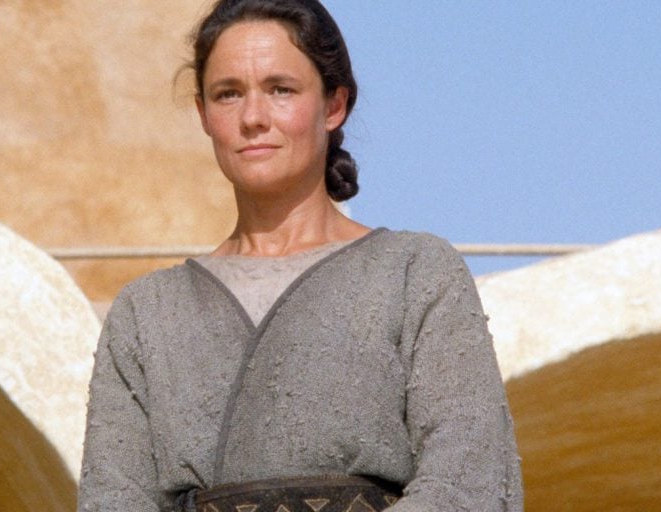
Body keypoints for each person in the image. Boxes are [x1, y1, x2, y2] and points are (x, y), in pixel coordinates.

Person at [78, 0, 523, 510]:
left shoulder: (415, 273)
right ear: (203, 115)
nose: (252, 118)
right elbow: (112, 498)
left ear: (334, 105)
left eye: (281, 90)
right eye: (228, 94)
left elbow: (469, 480)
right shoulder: (146, 312)